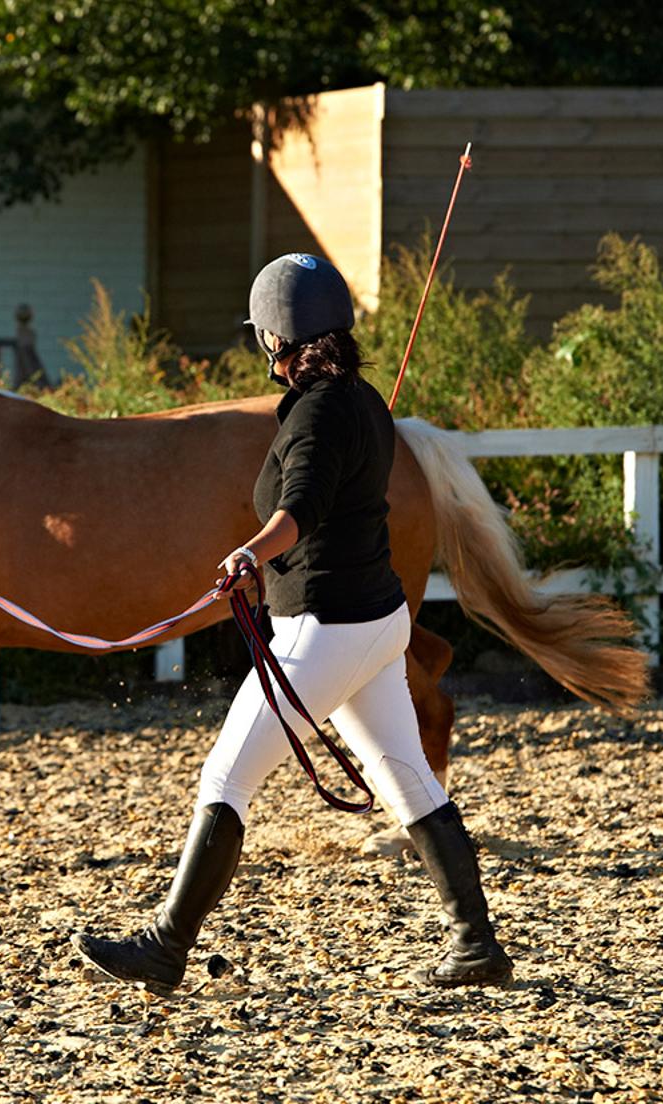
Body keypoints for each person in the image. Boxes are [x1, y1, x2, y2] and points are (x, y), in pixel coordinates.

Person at [71, 252, 513, 992]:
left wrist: (248, 552)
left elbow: (297, 509)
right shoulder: (365, 400)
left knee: (225, 775)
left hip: (326, 628)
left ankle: (165, 945)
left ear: (275, 338)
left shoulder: (315, 414)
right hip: (380, 625)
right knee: (408, 781)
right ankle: (478, 947)